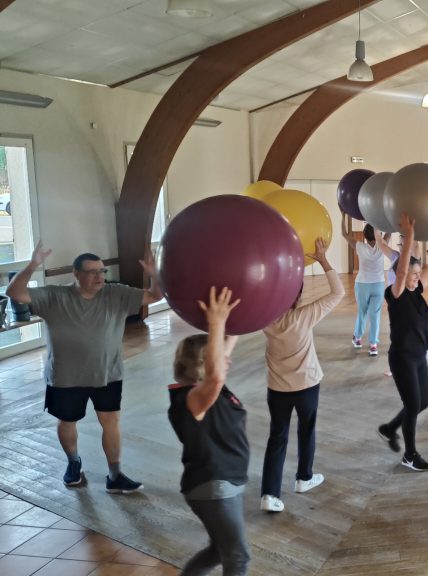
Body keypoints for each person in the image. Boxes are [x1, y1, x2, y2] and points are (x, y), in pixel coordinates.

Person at [7, 243, 162, 491]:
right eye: (92, 272)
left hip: (107, 373)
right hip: (65, 377)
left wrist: (155, 273)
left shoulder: (116, 294)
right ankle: (73, 463)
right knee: (67, 422)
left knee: (110, 421)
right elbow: (14, 292)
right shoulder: (55, 296)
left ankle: (115, 475)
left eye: (102, 271)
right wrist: (33, 265)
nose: (100, 276)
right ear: (76, 274)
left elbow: (155, 296)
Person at [167, 287, 249, 576]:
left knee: (219, 550)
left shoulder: (211, 390)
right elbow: (216, 375)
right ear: (203, 366)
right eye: (216, 356)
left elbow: (222, 359)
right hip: (213, 485)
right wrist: (215, 324)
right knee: (238, 556)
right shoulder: (191, 399)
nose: (226, 358)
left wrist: (236, 320)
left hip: (225, 482)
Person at [259, 238, 343, 513]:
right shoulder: (303, 316)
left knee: (277, 437)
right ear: (297, 296)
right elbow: (338, 292)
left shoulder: (265, 320)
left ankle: (269, 495)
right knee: (306, 431)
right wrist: (323, 260)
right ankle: (304, 478)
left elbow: (252, 298)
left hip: (277, 389)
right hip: (307, 386)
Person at [376, 216, 428, 472]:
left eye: (419, 273)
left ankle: (389, 428)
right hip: (402, 357)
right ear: (399, 276)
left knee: (423, 402)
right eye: (412, 274)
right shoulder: (394, 294)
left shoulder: (417, 291)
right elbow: (403, 269)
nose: (416, 277)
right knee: (412, 405)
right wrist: (409, 235)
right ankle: (410, 454)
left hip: (419, 355)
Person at [344, 223, 396, 357]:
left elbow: (344, 234)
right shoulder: (382, 245)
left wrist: (342, 215)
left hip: (362, 284)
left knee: (362, 312)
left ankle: (358, 338)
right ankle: (373, 345)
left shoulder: (360, 246)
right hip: (378, 284)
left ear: (364, 236)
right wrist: (386, 218)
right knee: (375, 315)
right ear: (377, 235)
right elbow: (389, 231)